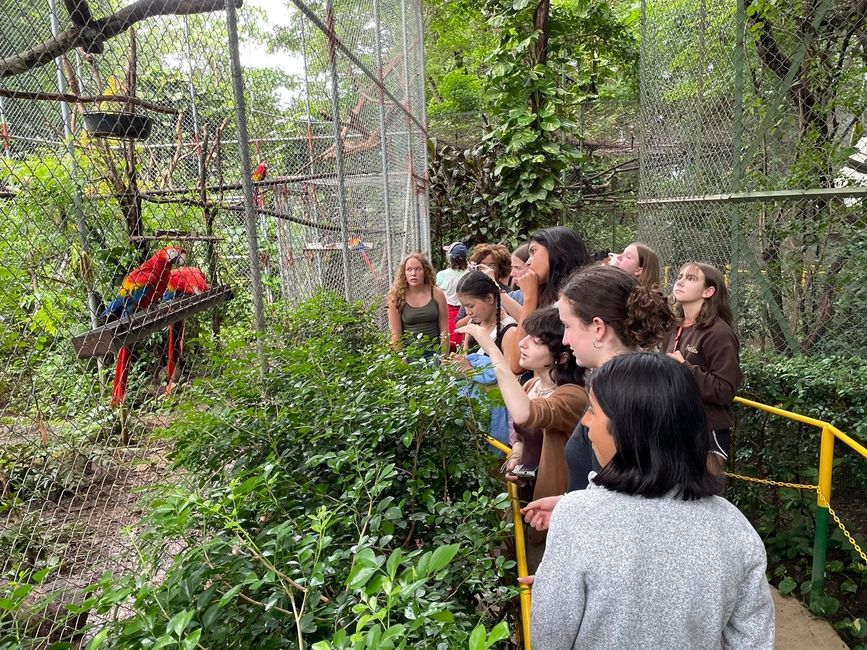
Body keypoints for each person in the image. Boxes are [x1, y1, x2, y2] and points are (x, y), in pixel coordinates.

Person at [529, 352, 775, 650]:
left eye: (593, 411)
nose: (586, 424)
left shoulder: (577, 518)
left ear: (629, 428)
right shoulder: (733, 525)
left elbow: (549, 637)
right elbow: (753, 640)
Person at [521, 265, 675, 532]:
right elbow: (613, 488)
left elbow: (637, 503)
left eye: (567, 326)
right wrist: (570, 503)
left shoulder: (626, 398)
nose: (565, 339)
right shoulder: (620, 384)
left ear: (598, 328)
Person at [458, 307, 586, 573]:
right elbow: (520, 436)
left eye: (536, 340)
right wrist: (516, 457)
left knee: (538, 571)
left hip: (551, 505)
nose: (523, 344)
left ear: (561, 356)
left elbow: (527, 415)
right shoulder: (529, 386)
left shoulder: (573, 396)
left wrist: (494, 353)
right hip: (523, 495)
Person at [664, 262, 743, 471]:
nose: (679, 281)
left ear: (709, 291)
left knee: (702, 497)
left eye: (690, 278)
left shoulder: (719, 333)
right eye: (680, 276)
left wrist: (685, 368)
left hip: (706, 431)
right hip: (673, 426)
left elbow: (725, 390)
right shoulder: (674, 327)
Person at [450, 270, 519, 447]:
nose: (468, 312)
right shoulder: (473, 324)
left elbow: (511, 387)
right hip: (473, 414)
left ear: (490, 298)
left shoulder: (509, 332)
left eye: (471, 306)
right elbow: (466, 357)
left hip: (495, 422)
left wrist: (470, 371)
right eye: (464, 306)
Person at [509, 227, 590, 375]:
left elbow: (517, 364)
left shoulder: (569, 304)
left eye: (533, 252)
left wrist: (529, 298)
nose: (527, 262)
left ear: (556, 253)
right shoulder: (551, 297)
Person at [387, 253, 448, 356]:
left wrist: (444, 356)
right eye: (409, 269)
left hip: (435, 352)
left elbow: (444, 328)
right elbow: (396, 334)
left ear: (425, 271)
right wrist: (402, 360)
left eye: (418, 269)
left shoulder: (437, 293)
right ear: (404, 273)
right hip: (411, 354)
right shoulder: (396, 297)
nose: (413, 273)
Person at [436, 242, 469, 349]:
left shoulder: (441, 275)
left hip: (447, 311)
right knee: (464, 343)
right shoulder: (469, 274)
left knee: (449, 343)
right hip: (466, 312)